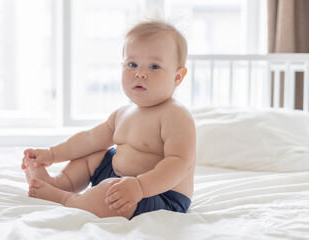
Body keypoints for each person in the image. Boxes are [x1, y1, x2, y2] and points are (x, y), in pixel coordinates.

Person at [21, 18, 196, 220]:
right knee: (92, 154)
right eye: (132, 64)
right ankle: (58, 183)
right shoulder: (123, 113)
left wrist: (140, 186)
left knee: (108, 193)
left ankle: (66, 199)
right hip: (120, 180)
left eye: (154, 67)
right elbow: (88, 139)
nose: (140, 73)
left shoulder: (175, 115)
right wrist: (52, 154)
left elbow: (180, 163)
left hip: (159, 195)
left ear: (177, 76)